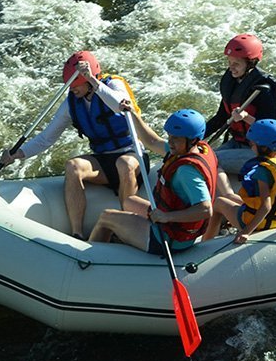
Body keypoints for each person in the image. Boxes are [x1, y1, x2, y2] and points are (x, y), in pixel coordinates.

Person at [0, 51, 160, 240]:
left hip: (133, 155)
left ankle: (126, 227)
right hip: (104, 161)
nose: (72, 89)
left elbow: (120, 106)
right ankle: (77, 233)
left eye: (76, 84)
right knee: (73, 166)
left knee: (124, 164)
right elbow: (46, 138)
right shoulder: (71, 104)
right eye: (70, 85)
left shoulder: (114, 85)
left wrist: (92, 81)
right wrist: (17, 154)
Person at [90, 109, 218, 255]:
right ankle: (122, 237)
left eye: (175, 138)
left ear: (192, 140)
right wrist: (132, 113)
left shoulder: (186, 172)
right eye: (169, 136)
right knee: (129, 202)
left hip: (171, 238)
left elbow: (205, 209)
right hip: (171, 220)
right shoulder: (199, 150)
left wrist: (166, 217)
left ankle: (86, 258)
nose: (170, 142)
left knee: (106, 217)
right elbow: (152, 141)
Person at [204, 32, 276, 176]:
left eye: (236, 64)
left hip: (260, 151)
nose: (231, 67)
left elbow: (272, 130)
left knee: (209, 161)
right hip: (238, 142)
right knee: (203, 156)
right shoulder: (232, 83)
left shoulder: (263, 89)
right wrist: (196, 137)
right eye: (229, 63)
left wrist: (246, 117)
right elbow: (221, 117)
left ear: (250, 63)